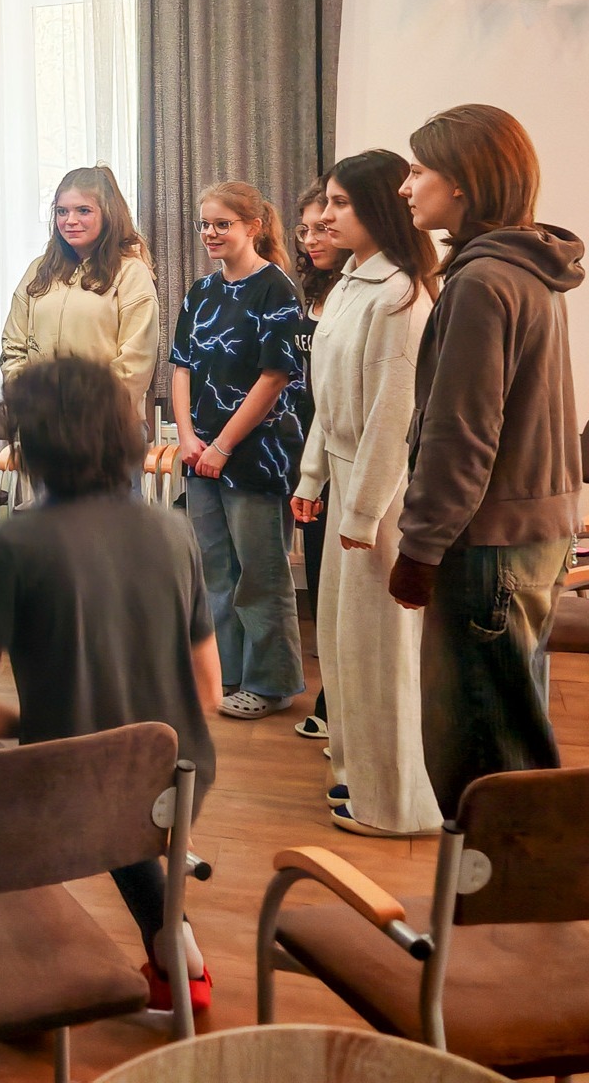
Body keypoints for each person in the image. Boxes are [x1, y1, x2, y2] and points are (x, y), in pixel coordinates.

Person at [0, 357, 218, 1014]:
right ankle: (175, 952)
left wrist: (52, 719)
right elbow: (208, 691)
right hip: (178, 780)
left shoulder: (9, 547)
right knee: (114, 780)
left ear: (29, 445)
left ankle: (29, 961)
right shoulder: (175, 531)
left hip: (75, 782)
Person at [392, 104, 583, 817]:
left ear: (463, 183)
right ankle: (524, 881)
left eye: (418, 171)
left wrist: (419, 548)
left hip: (486, 546)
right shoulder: (528, 269)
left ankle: (509, 887)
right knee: (512, 729)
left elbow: (461, 433)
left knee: (483, 757)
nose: (406, 187)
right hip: (532, 534)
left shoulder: (481, 281)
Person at [291, 151, 442, 837]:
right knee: (343, 641)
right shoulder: (351, 282)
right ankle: (356, 772)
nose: (324, 216)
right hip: (347, 475)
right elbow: (326, 396)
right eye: (325, 201)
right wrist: (312, 476)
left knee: (382, 649)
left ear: (377, 208)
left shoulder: (401, 294)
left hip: (380, 493)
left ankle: (399, 803)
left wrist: (361, 511)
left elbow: (391, 417)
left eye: (340, 203)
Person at [171, 181, 305, 720]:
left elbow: (275, 377)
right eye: (205, 224)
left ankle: (271, 684)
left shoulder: (277, 290)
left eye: (222, 224)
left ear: (254, 227)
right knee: (214, 572)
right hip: (199, 454)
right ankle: (225, 673)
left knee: (260, 575)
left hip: (256, 456)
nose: (210, 233)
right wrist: (186, 437)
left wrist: (223, 446)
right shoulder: (200, 291)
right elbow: (181, 367)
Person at [0, 166, 160, 421]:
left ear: (108, 214)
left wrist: (83, 414)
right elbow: (13, 347)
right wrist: (28, 399)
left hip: (105, 426)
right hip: (40, 422)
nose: (70, 220)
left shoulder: (131, 273)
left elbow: (135, 362)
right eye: (62, 211)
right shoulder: (39, 270)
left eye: (83, 210)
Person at [287, 182, 350, 743]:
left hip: (343, 458)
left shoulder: (362, 295)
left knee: (347, 588)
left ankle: (341, 705)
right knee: (321, 585)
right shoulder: (311, 293)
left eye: (324, 228)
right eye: (305, 229)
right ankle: (331, 697)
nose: (312, 239)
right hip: (308, 455)